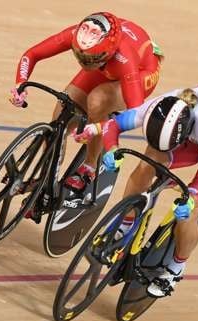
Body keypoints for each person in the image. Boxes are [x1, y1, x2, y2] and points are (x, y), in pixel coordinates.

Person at [73, 85, 198, 297]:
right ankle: (125, 225)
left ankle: (175, 268)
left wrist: (197, 199)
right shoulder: (157, 107)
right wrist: (112, 149)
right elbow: (113, 124)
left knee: (190, 211)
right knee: (147, 163)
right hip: (190, 137)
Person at [9, 11, 163, 194]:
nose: (84, 64)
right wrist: (21, 83)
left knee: (97, 101)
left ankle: (89, 167)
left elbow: (138, 113)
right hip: (104, 63)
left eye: (89, 60)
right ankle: (46, 180)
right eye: (80, 57)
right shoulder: (82, 38)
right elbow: (32, 54)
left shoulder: (125, 58)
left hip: (142, 70)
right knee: (61, 114)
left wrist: (98, 128)